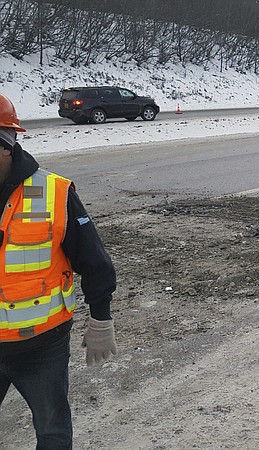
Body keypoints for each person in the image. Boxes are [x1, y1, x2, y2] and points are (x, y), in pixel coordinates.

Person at [0, 93, 117, 449]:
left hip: (41, 345)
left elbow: (95, 263)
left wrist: (100, 319)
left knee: (52, 430)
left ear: (5, 144)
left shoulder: (54, 192)